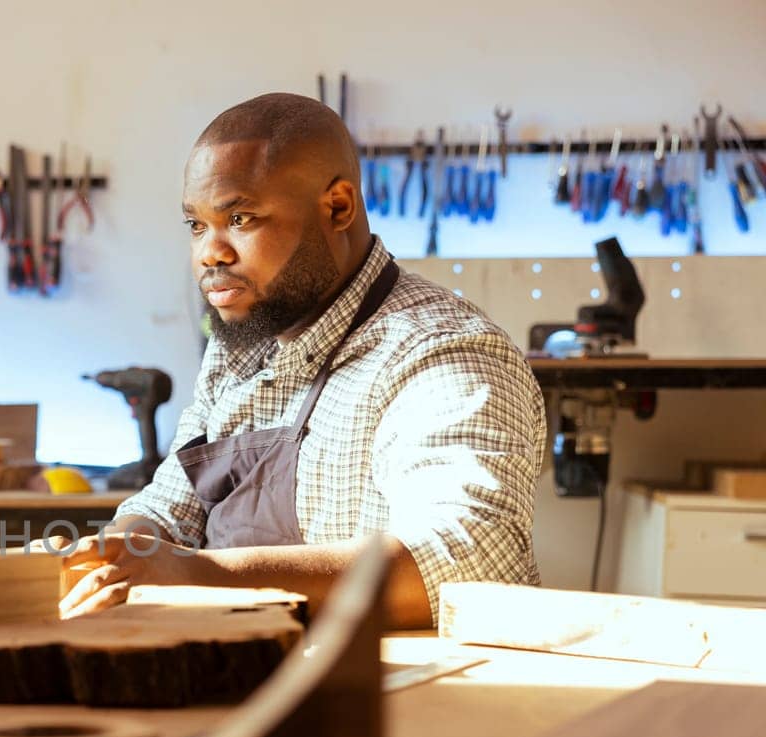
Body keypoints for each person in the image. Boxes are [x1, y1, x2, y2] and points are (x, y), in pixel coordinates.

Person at [61, 93, 545, 628]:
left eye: (239, 218)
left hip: (397, 696)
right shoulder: (238, 347)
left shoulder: (440, 352)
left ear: (337, 207)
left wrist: (199, 576)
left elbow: (470, 559)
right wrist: (120, 553)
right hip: (242, 674)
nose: (209, 254)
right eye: (196, 226)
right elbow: (169, 508)